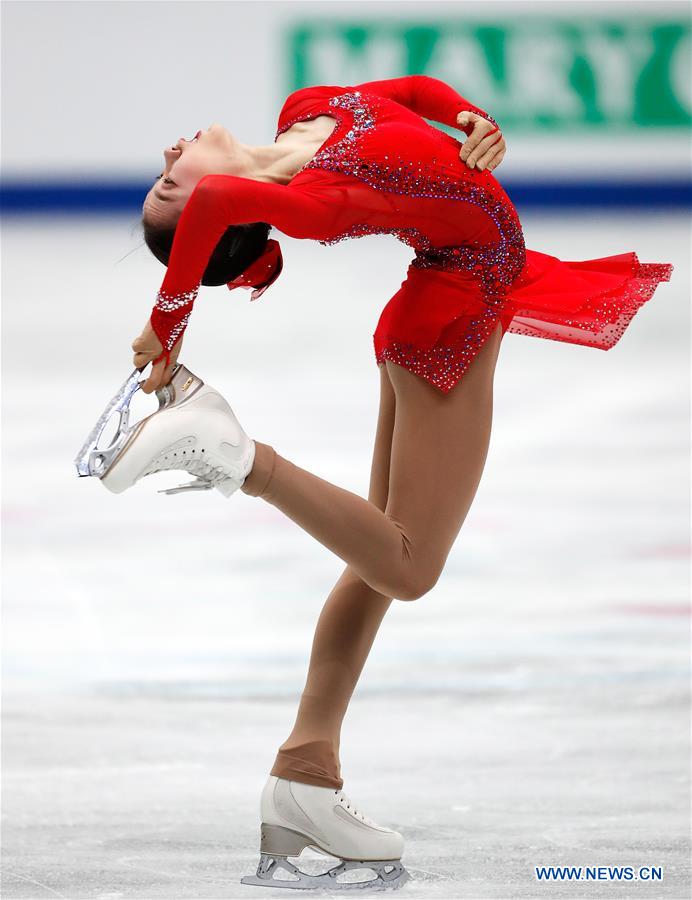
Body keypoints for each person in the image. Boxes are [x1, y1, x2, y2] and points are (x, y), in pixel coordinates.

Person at [123, 75, 672, 889]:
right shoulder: (317, 197)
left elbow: (413, 89)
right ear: (233, 207)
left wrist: (469, 117)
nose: (170, 153)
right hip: (450, 319)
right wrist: (166, 328)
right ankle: (239, 456)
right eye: (171, 178)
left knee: (377, 561)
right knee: (407, 566)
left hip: (441, 300)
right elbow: (210, 211)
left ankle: (304, 775)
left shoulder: (308, 110)